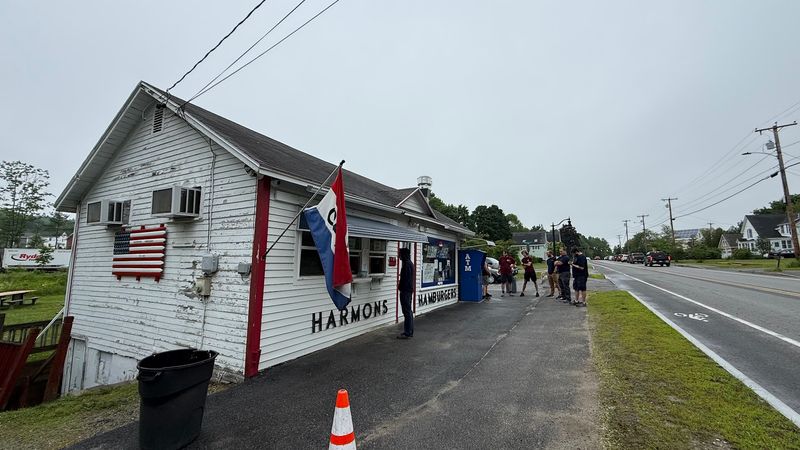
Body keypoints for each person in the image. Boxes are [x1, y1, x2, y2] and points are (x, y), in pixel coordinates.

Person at [397, 247, 415, 339]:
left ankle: (407, 332)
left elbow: (406, 279)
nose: (399, 255)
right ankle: (409, 331)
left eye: (400, 254)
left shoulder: (407, 265)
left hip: (406, 291)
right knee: (408, 311)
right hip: (408, 290)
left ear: (404, 255)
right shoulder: (410, 264)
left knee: (407, 311)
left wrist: (400, 287)